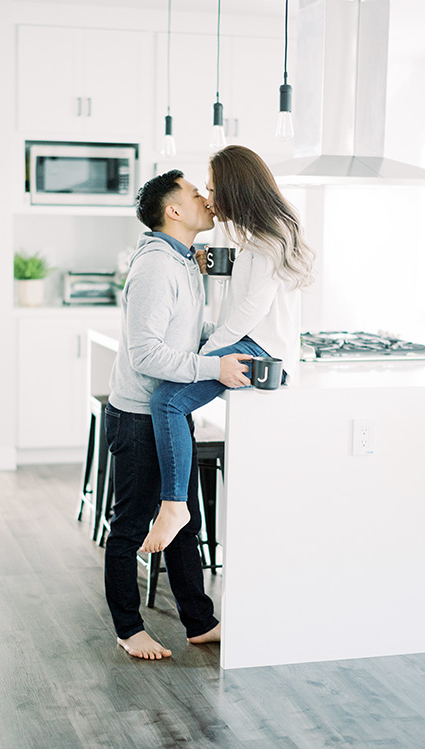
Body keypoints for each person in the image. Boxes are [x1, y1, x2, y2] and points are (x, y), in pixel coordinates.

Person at [104, 169, 251, 660]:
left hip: (167, 410)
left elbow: (182, 332)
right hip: (140, 416)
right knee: (129, 527)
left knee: (183, 518)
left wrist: (228, 337)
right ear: (173, 211)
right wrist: (215, 365)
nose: (207, 198)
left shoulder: (182, 261)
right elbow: (147, 353)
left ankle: (200, 622)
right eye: (195, 194)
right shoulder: (156, 267)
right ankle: (128, 628)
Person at [140, 145, 315, 554]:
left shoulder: (269, 236)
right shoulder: (265, 231)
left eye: (214, 189)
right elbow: (250, 292)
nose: (210, 198)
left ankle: (175, 505)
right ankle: (176, 503)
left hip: (258, 348)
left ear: (236, 189)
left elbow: (250, 311)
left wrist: (208, 352)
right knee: (172, 395)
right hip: (253, 340)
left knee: (167, 402)